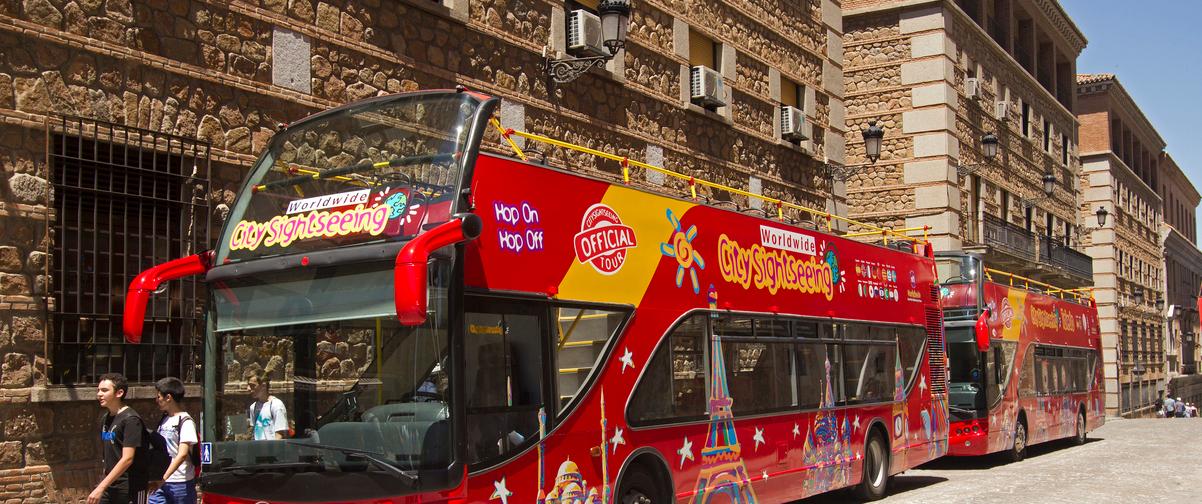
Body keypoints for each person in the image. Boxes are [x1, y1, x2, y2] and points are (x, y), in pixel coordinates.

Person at [91, 373, 149, 504]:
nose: (99, 394)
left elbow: (127, 458)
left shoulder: (131, 420)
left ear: (119, 393)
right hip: (110, 485)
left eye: (104, 390)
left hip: (130, 487)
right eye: (98, 390)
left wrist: (101, 487)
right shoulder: (105, 418)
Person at [148, 377, 198, 504]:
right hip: (162, 480)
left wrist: (163, 479)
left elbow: (182, 454)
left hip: (180, 482)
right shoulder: (164, 419)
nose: (157, 400)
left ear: (168, 397)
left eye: (159, 396)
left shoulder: (185, 421)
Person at [247, 370, 289, 440]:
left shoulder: (276, 405)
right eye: (248, 385)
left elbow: (280, 435)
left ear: (263, 386)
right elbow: (255, 434)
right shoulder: (253, 407)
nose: (248, 389)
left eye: (252, 385)